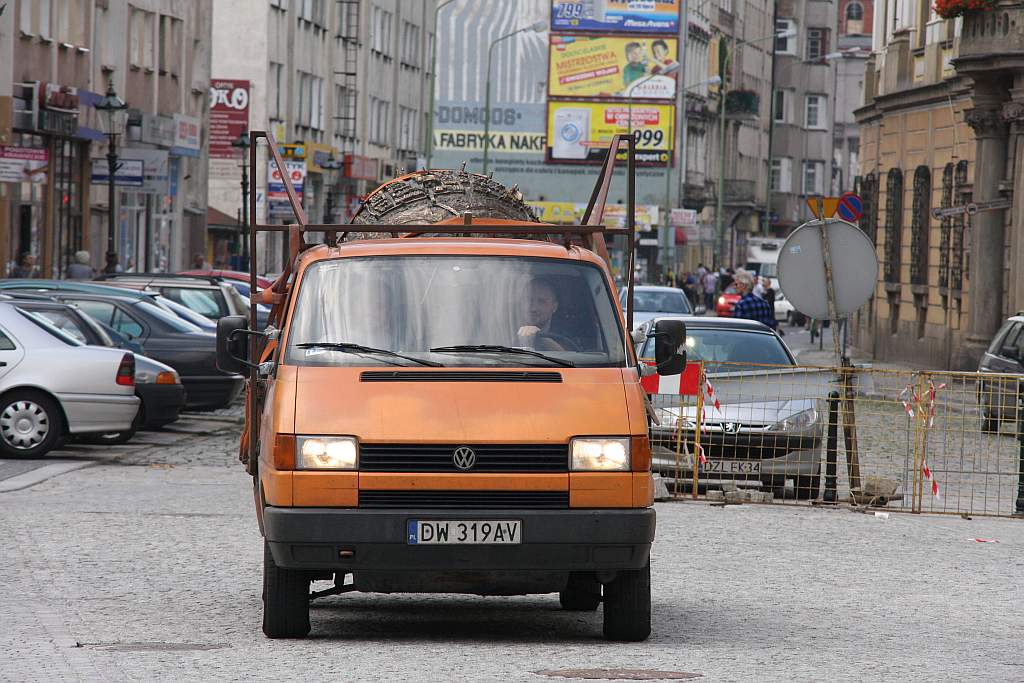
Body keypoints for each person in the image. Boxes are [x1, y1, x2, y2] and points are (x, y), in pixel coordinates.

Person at [517, 278, 568, 351]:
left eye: (542, 301)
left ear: (554, 307)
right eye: (529, 300)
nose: (534, 308)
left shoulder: (568, 337)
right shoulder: (505, 332)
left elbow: (573, 361)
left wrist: (542, 339)